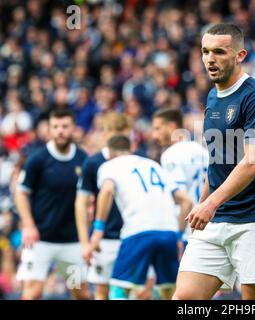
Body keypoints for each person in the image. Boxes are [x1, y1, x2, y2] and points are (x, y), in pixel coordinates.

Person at [173, 23, 255, 300]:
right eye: (205, 51)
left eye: (219, 52)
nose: (210, 59)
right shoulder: (213, 96)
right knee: (184, 299)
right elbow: (216, 162)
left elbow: (254, 161)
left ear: (240, 55)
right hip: (216, 217)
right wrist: (202, 203)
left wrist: (210, 204)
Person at [89, 135, 192, 300]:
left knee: (119, 289)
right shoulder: (153, 164)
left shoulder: (109, 165)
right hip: (169, 232)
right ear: (131, 150)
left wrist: (98, 229)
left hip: (138, 231)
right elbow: (186, 201)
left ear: (108, 153)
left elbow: (107, 190)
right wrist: (179, 236)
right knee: (169, 290)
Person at [15, 109, 90, 300]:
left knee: (80, 293)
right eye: (55, 127)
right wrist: (28, 225)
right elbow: (21, 193)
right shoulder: (37, 159)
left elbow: (91, 197)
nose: (60, 131)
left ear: (73, 128)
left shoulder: (83, 159)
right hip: (40, 240)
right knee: (32, 293)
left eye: (65, 126)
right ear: (49, 129)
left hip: (71, 242)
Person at [75, 112, 129, 300]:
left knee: (133, 291)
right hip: (104, 239)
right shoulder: (93, 163)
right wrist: (85, 242)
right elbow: (81, 204)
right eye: (114, 134)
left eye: (123, 134)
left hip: (130, 235)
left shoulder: (136, 160)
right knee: (101, 292)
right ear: (105, 134)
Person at [152, 108, 209, 245]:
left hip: (187, 231)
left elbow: (185, 201)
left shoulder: (171, 155)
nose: (154, 135)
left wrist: (178, 235)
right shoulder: (202, 150)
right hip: (207, 225)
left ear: (171, 127)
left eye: (158, 128)